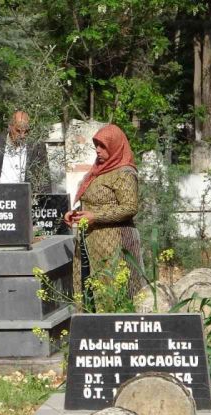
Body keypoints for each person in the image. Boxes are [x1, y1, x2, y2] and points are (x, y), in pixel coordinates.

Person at [63, 124, 143, 308]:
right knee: (87, 292)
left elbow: (130, 207)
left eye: (103, 146)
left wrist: (95, 216)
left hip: (114, 243)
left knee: (112, 294)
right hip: (89, 242)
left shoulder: (124, 173)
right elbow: (91, 200)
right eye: (96, 145)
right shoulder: (97, 170)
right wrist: (75, 213)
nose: (98, 150)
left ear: (115, 146)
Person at [0, 111, 51, 193]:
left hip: (25, 198)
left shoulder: (37, 146)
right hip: (0, 197)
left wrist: (47, 201)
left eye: (26, 131)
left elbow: (45, 177)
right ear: (10, 126)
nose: (22, 136)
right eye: (18, 131)